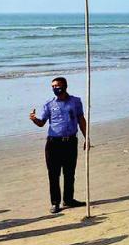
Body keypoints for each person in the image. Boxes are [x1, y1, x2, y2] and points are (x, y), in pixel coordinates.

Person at [29, 77, 88, 214]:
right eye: (53, 86)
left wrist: (87, 138)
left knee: (69, 172)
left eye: (57, 85)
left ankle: (68, 199)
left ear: (65, 86)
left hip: (70, 141)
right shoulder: (49, 104)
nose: (55, 88)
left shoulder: (75, 101)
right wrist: (34, 119)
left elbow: (81, 120)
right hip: (53, 143)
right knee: (54, 174)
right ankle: (55, 202)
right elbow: (41, 123)